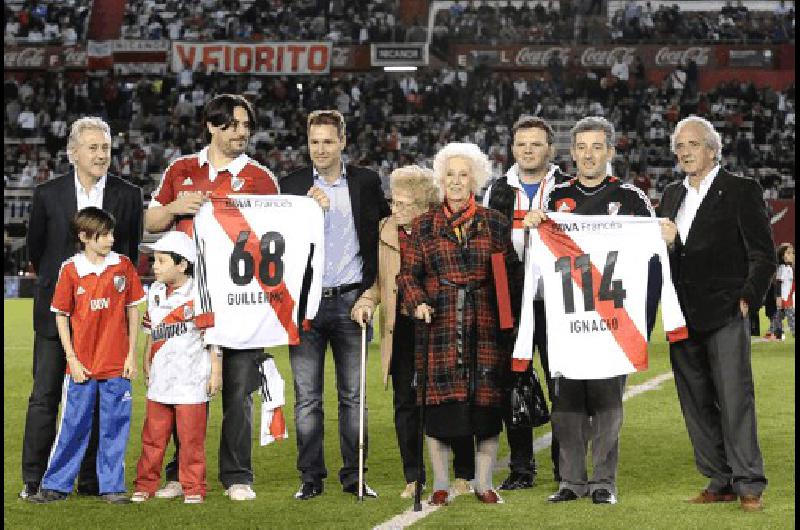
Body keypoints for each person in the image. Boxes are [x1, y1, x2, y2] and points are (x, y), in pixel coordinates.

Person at [145, 94, 280, 502]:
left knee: (238, 390)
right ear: (212, 126)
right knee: (179, 388)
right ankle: (177, 474)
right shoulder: (182, 169)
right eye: (234, 125)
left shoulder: (259, 177)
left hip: (239, 301)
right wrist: (174, 206)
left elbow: (277, 238)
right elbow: (151, 223)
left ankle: (237, 475)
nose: (242, 133)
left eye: (246, 126)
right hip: (186, 300)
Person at [523, 116, 657, 505]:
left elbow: (649, 260)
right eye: (581, 147)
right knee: (566, 405)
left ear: (610, 152)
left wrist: (642, 322)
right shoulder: (556, 198)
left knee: (607, 404)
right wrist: (535, 224)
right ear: (572, 152)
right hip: (568, 321)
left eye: (596, 147)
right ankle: (570, 481)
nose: (588, 155)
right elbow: (541, 258)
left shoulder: (632, 198)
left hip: (614, 320)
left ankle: (603, 482)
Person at [21, 117, 143, 500]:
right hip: (56, 316)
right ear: (73, 153)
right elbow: (36, 251)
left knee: (98, 400)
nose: (101, 154)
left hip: (106, 323)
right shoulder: (48, 194)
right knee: (45, 397)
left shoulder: (128, 194)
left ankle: (92, 481)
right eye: (92, 147)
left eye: (105, 147)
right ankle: (35, 479)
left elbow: (130, 252)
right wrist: (67, 293)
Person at [658, 115, 775, 512]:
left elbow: (763, 254)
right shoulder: (671, 194)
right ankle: (719, 478)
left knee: (734, 398)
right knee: (695, 401)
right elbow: (667, 255)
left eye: (692, 144)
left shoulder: (741, 190)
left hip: (725, 311)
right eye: (678, 146)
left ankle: (749, 485)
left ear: (712, 149)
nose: (684, 152)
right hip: (681, 313)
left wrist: (746, 299)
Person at [397, 142, 520, 506]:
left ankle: (483, 483)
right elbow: (408, 275)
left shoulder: (495, 223)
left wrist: (509, 322)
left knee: (485, 409)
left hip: (485, 325)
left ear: (475, 179)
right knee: (440, 408)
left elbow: (509, 274)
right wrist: (417, 302)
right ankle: (439, 483)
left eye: (463, 174)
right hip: (440, 323)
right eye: (449, 174)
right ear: (440, 179)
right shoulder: (423, 226)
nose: (455, 181)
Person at [280, 109, 390, 500]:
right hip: (306, 305)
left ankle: (355, 476)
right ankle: (310, 478)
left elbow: (384, 236)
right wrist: (308, 213)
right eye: (314, 142)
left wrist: (372, 292)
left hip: (351, 301)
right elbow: (279, 247)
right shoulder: (291, 185)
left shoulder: (366, 182)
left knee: (353, 397)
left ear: (343, 141)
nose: (321, 149)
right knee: (307, 398)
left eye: (329, 141)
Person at [351, 166, 475, 499]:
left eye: (405, 204)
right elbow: (378, 281)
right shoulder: (385, 231)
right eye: (395, 202)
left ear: (423, 205)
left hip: (440, 323)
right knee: (405, 401)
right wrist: (365, 301)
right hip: (402, 325)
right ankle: (413, 476)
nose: (396, 209)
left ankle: (464, 473)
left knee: (451, 397)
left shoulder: (442, 227)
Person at [482, 115, 569, 489]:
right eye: (521, 144)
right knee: (513, 384)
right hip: (512, 303)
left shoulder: (569, 187)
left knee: (561, 386)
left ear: (549, 149)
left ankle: (565, 467)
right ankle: (521, 468)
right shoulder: (497, 191)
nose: (528, 150)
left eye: (536, 144)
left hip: (560, 304)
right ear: (512, 148)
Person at [131, 231, 222, 504]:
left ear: (182, 264)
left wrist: (216, 371)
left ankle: (193, 488)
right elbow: (152, 329)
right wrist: (147, 356)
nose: (154, 266)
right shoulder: (156, 291)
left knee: (191, 441)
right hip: (160, 378)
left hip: (191, 380)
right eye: (153, 260)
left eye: (161, 260)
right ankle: (145, 485)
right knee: (153, 438)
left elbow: (212, 336)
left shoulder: (200, 293)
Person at [770, 243, 795, 340]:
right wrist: (778, 297)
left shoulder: (789, 268)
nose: (791, 255)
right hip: (783, 298)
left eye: (792, 253)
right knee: (791, 316)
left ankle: (775, 332)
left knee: (778, 316)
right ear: (782, 256)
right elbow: (778, 283)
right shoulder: (781, 269)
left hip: (788, 298)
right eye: (788, 253)